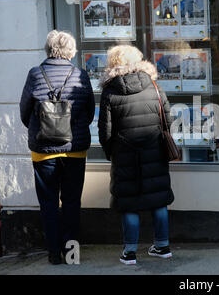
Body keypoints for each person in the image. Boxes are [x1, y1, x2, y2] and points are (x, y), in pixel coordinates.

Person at [19, 30, 95, 265]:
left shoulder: (35, 74)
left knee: (48, 203)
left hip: (43, 151)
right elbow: (90, 112)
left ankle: (53, 253)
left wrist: (41, 130)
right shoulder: (79, 74)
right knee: (72, 201)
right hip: (74, 149)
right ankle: (72, 253)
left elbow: (25, 112)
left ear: (49, 49)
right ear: (70, 50)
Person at [98, 45, 174, 265]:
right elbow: (167, 120)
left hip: (125, 153)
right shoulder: (153, 85)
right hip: (154, 150)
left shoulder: (110, 90)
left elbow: (105, 130)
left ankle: (129, 252)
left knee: (128, 201)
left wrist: (112, 151)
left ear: (114, 63)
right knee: (158, 198)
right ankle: (162, 246)